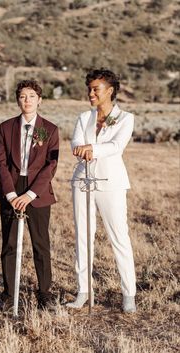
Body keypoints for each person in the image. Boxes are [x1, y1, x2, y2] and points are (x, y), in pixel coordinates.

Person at [66, 68, 136, 312]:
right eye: (89, 89)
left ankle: (129, 295)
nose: (91, 93)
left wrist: (91, 149)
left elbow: (116, 146)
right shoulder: (83, 118)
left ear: (110, 91)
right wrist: (82, 148)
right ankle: (83, 291)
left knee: (119, 238)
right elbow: (75, 142)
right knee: (83, 236)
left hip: (111, 183)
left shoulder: (126, 118)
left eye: (96, 89)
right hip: (82, 181)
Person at [0, 79, 59, 311]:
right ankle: (9, 293)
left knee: (41, 244)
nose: (27, 100)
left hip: (38, 192)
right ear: (17, 100)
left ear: (40, 100)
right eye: (23, 96)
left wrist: (30, 194)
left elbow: (51, 166)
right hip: (11, 187)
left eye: (32, 96)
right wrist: (11, 194)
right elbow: (1, 164)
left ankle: (44, 294)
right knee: (10, 244)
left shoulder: (50, 129)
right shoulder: (6, 127)